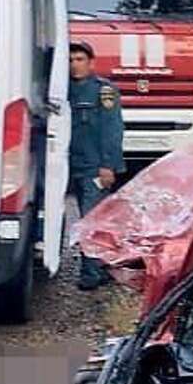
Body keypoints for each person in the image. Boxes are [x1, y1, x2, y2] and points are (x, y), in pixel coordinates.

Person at [66, 40, 126, 290]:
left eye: (79, 60)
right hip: (70, 165)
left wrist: (108, 165)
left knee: (92, 221)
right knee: (87, 220)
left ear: (91, 63)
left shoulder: (104, 91)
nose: (74, 65)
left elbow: (112, 131)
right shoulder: (62, 90)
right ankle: (100, 269)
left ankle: (92, 273)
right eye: (70, 60)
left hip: (94, 167)